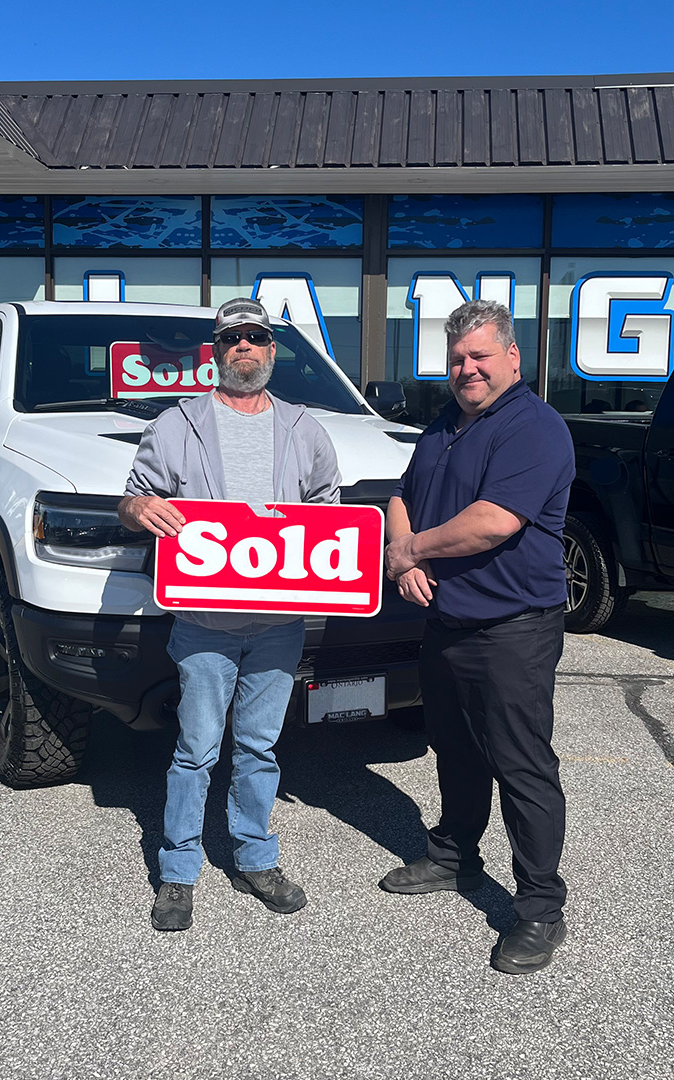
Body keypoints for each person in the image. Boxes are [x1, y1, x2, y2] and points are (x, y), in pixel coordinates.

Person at [119, 297, 341, 932]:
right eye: (232, 339)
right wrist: (141, 513)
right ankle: (179, 871)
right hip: (203, 624)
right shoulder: (175, 424)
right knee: (195, 749)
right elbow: (134, 502)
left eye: (255, 338)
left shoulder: (306, 429)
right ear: (215, 354)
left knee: (259, 747)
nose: (244, 348)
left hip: (278, 623)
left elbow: (328, 514)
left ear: (272, 350)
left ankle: (255, 857)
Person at [381, 299, 575, 975]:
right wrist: (406, 551)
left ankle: (540, 909)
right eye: (458, 358)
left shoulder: (534, 428)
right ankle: (454, 855)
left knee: (521, 766)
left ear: (512, 358)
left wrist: (408, 553)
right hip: (448, 623)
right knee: (455, 750)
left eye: (480, 357)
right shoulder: (445, 425)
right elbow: (402, 492)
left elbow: (493, 522)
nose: (467, 369)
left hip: (513, 630)